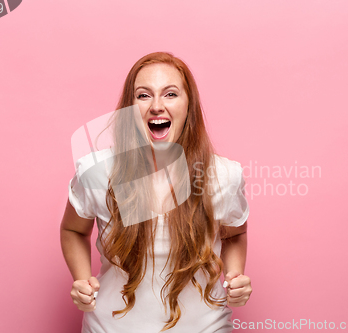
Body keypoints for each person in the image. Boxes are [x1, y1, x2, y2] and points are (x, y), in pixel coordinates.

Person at [60, 51, 252, 333]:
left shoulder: (223, 175)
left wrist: (235, 276)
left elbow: (235, 234)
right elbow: (73, 230)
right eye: (143, 95)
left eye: (171, 94)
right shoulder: (96, 172)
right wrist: (81, 279)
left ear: (189, 106)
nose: (157, 106)